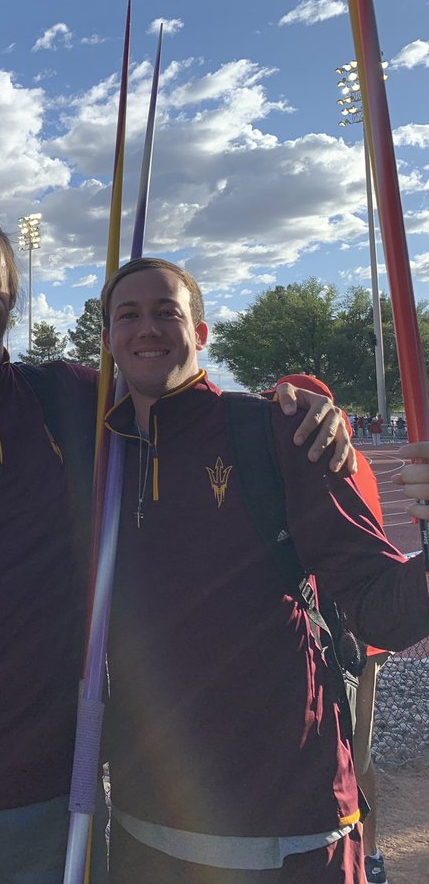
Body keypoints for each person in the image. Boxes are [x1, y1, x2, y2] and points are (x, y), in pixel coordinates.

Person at [0, 211, 354, 884]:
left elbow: (181, 393)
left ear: (11, 294)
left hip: (48, 794)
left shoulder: (68, 401)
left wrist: (302, 398)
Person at [99, 258, 429, 884]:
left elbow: (378, 600)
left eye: (167, 311)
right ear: (109, 341)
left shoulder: (277, 429)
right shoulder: (99, 447)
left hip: (289, 832)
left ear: (200, 333)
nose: (147, 329)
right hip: (147, 831)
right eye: (128, 315)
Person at [276, 376, 392, 884]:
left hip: (340, 633)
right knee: (357, 753)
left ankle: (356, 853)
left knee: (343, 753)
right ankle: (373, 855)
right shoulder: (350, 456)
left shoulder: (324, 460)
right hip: (365, 631)